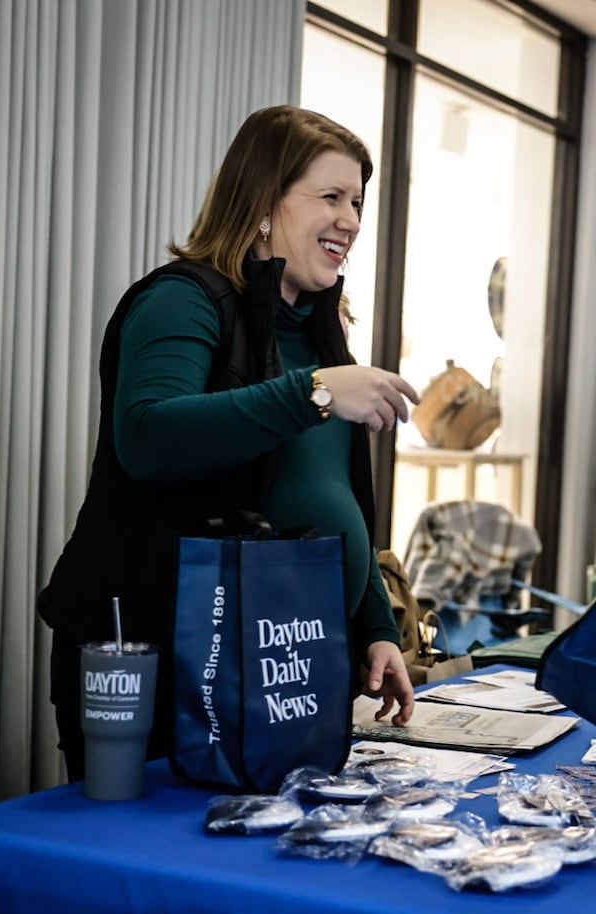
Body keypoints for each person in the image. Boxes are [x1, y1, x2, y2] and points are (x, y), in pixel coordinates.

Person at [39, 105, 419, 782]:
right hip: (154, 649)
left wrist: (375, 628)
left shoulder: (319, 330)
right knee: (156, 859)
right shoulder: (182, 300)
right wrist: (316, 394)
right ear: (262, 205)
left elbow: (329, 497)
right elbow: (149, 438)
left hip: (280, 651)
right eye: (330, 197)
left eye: (357, 201)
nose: (352, 221)